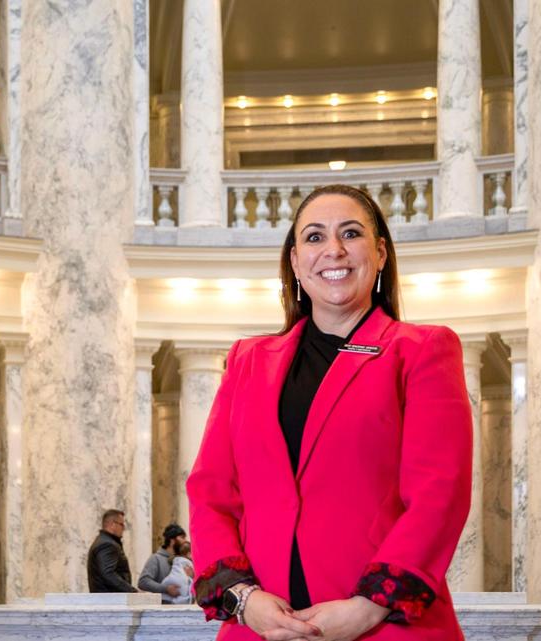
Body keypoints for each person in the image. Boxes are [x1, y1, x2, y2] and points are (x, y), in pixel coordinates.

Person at [187, 184, 473, 641]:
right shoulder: (246, 360)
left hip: (385, 628)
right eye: (315, 237)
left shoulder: (422, 351)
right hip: (262, 628)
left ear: (380, 253)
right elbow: (211, 495)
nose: (334, 250)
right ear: (296, 262)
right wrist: (243, 598)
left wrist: (366, 608)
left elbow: (440, 495)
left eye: (351, 233)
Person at [87, 509, 137, 593]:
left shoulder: (105, 541)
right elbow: (108, 573)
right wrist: (132, 591)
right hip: (110, 600)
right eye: (121, 524)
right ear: (113, 524)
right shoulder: (107, 545)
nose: (123, 528)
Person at [139, 523, 189, 601]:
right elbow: (143, 581)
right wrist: (166, 589)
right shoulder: (156, 559)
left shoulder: (184, 560)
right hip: (162, 609)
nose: (185, 541)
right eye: (182, 537)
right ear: (172, 541)